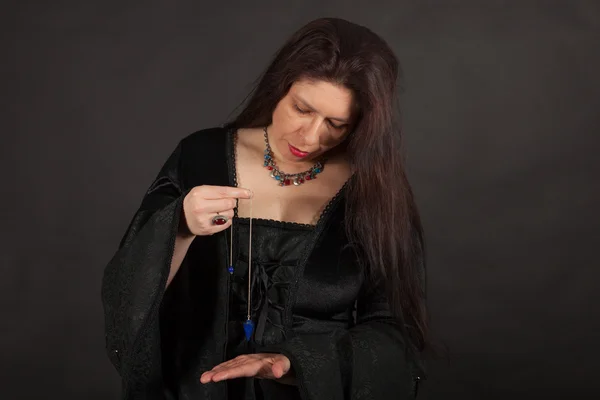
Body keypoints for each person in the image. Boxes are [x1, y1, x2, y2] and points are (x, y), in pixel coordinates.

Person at [101, 17, 429, 400]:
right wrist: (180, 226)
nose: (311, 137)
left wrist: (298, 364)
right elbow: (127, 294)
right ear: (280, 86)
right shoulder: (200, 156)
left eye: (336, 124)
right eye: (302, 109)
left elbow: (394, 334)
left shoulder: (375, 194)